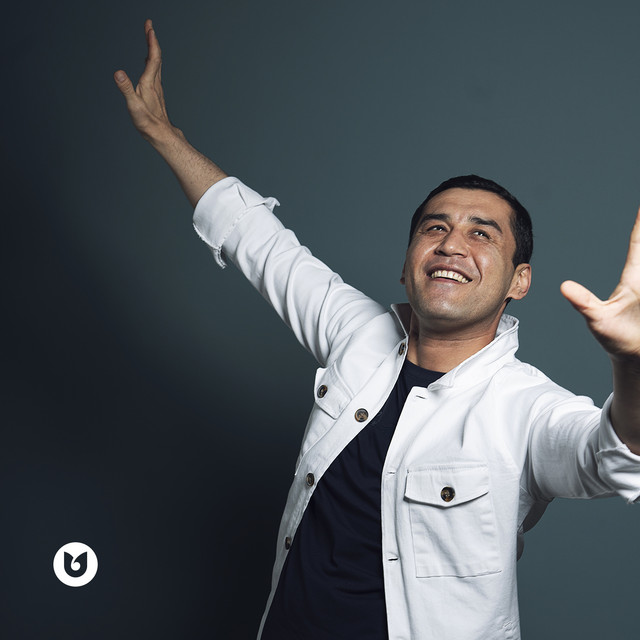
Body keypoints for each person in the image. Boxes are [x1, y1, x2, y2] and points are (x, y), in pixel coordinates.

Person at [114, 20, 640, 640]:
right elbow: (258, 240)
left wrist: (632, 364)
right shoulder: (356, 334)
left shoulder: (524, 408)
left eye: (481, 233)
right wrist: (164, 134)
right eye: (435, 228)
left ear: (518, 281)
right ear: (408, 262)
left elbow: (611, 456)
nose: (451, 244)